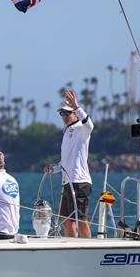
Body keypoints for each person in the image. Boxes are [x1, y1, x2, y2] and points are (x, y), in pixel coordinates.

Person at [44, 90, 93, 238]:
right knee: (66, 221)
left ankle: (87, 248)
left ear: (75, 114)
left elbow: (90, 125)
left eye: (67, 113)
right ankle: (70, 245)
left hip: (80, 182)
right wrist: (53, 168)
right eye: (62, 114)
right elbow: (64, 163)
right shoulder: (67, 132)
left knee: (81, 220)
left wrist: (76, 106)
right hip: (67, 182)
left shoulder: (82, 129)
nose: (64, 116)